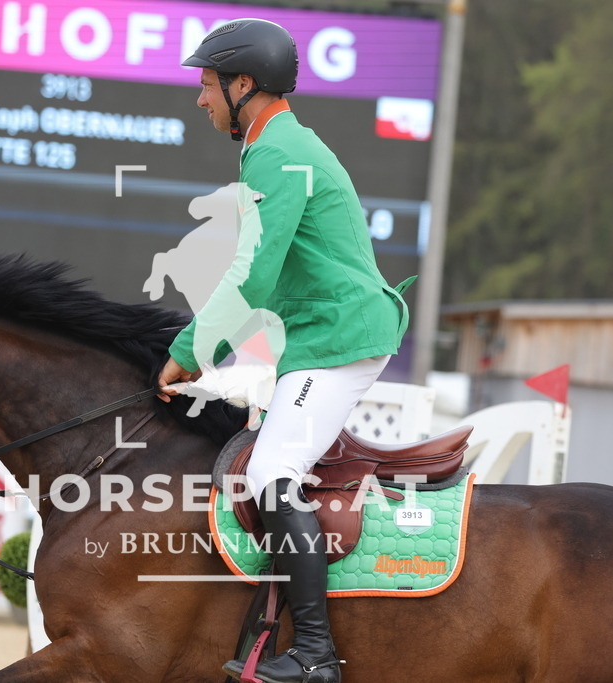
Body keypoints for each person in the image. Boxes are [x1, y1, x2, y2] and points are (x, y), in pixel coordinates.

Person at [157, 18, 414, 683]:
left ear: (245, 85)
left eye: (208, 84)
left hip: (340, 338)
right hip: (322, 336)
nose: (200, 98)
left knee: (271, 472)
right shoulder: (276, 145)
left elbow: (253, 273)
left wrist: (190, 347)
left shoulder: (277, 153)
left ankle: (316, 655)